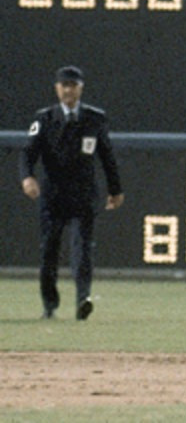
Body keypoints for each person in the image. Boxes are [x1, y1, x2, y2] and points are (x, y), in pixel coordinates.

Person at [19, 66, 124, 320]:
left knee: (82, 248)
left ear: (80, 88)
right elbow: (27, 153)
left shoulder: (94, 119)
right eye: (64, 85)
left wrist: (115, 189)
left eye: (73, 85)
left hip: (83, 194)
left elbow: (107, 156)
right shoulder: (44, 119)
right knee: (49, 251)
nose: (68, 90)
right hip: (53, 195)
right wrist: (27, 177)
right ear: (57, 88)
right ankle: (50, 305)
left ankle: (82, 300)